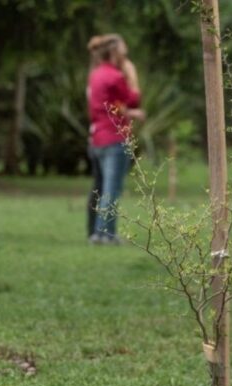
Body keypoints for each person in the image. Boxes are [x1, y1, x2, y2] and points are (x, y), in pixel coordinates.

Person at [86, 34, 144, 245]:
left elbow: (112, 105)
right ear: (114, 53)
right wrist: (132, 75)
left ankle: (99, 232)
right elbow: (133, 98)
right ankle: (104, 234)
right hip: (114, 137)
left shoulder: (95, 75)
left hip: (97, 139)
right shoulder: (115, 76)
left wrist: (128, 112)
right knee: (112, 188)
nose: (126, 57)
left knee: (102, 188)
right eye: (124, 52)